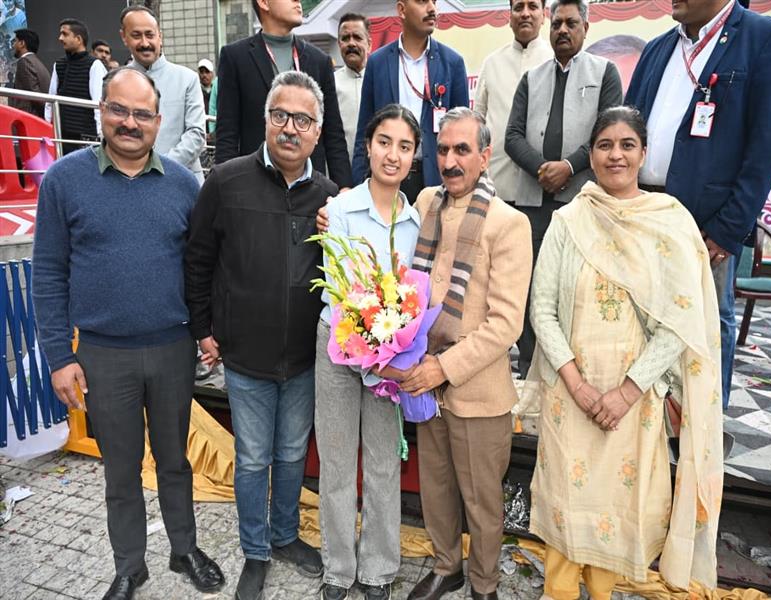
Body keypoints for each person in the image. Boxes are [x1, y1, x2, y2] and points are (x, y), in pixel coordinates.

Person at [32, 67, 225, 600]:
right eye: (119, 110)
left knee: (175, 461)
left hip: (171, 350)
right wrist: (58, 357)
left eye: (142, 114)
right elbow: (47, 273)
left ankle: (184, 549)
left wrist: (206, 332)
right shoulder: (64, 181)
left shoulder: (184, 185)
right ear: (101, 111)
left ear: (158, 122)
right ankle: (129, 567)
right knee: (120, 469)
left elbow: (201, 269)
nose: (130, 123)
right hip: (102, 355)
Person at [528, 106, 723, 599]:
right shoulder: (569, 221)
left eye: (627, 145)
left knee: (614, 512)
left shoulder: (668, 223)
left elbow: (680, 321)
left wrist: (626, 392)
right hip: (569, 398)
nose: (616, 155)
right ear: (591, 155)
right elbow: (542, 310)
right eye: (605, 145)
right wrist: (578, 386)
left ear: (643, 153)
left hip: (634, 403)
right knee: (565, 507)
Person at [184, 70, 338, 600]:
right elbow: (198, 259)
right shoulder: (226, 182)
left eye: (303, 120)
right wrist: (202, 328)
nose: (290, 128)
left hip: (304, 358)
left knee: (292, 453)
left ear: (317, 132)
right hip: (245, 354)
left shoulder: (330, 199)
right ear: (265, 119)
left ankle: (284, 535)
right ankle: (255, 550)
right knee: (252, 458)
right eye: (280, 115)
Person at [625, 0, 771, 409]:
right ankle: (650, 424)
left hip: (707, 224)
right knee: (642, 319)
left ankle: (703, 426)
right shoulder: (658, 48)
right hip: (643, 211)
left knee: (705, 323)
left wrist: (727, 229)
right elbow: (627, 122)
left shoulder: (763, 38)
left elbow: (766, 147)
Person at [403, 108, 532, 600]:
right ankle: (445, 566)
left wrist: (444, 366)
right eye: (442, 150)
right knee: (435, 486)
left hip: (476, 387)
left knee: (481, 500)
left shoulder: (509, 223)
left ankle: (484, 583)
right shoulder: (426, 204)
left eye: (462, 150)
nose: (450, 161)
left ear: (485, 155)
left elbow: (506, 324)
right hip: (425, 379)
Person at [316, 105, 421, 600]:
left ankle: (379, 568)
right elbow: (339, 286)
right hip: (340, 346)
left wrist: (390, 347)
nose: (392, 154)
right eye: (384, 142)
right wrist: (367, 338)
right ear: (368, 147)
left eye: (404, 146)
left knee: (382, 461)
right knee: (337, 461)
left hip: (389, 359)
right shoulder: (341, 209)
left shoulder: (416, 221)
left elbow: (413, 293)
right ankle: (337, 568)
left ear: (414, 156)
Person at [505, 0, 622, 378]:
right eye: (556, 24)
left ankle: (571, 369)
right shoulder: (532, 78)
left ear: (586, 28)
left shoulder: (604, 72)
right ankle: (529, 364)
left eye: (571, 23)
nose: (562, 31)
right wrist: (542, 169)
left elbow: (608, 133)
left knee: (573, 287)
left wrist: (569, 166)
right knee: (530, 286)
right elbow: (512, 136)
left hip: (581, 201)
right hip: (533, 202)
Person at [214, 0, 352, 189]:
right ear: (264, 3)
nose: (297, 1)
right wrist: (224, 187)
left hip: (309, 189)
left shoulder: (319, 61)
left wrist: (343, 188)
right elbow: (227, 134)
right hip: (255, 186)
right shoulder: (235, 57)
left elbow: (333, 133)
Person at [351, 0, 469, 203]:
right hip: (387, 175)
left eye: (434, 2)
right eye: (422, 1)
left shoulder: (452, 63)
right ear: (402, 9)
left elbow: (463, 135)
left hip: (436, 181)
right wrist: (357, 189)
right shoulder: (378, 63)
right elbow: (365, 131)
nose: (432, 9)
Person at [474, 0, 551, 203]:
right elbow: (478, 121)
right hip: (495, 185)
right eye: (518, 8)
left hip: (541, 187)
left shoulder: (555, 61)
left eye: (532, 6)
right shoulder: (492, 63)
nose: (525, 13)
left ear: (544, 15)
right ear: (510, 17)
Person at [121, 6, 206, 183]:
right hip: (131, 181)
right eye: (136, 35)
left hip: (182, 180)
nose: (145, 43)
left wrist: (158, 167)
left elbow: (196, 134)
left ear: (160, 36)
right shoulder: (116, 82)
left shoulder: (187, 78)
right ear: (124, 37)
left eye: (150, 35)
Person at [45, 18, 106, 153]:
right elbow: (50, 101)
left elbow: (98, 103)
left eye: (65, 34)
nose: (60, 38)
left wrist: (101, 136)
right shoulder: (58, 64)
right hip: (61, 136)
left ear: (78, 39)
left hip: (86, 138)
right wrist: (48, 128)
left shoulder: (95, 65)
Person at [334, 12, 371, 165]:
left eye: (357, 37)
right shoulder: (330, 83)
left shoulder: (381, 80)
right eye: (345, 38)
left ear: (369, 43)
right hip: (340, 170)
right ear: (339, 44)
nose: (351, 43)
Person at [9, 28, 50, 118]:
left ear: (22, 43)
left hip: (28, 118)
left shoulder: (24, 62)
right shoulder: (37, 62)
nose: (13, 45)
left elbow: (33, 94)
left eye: (15, 41)